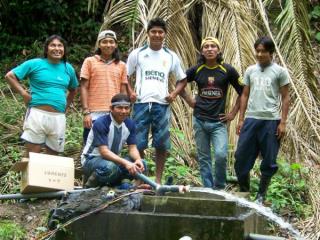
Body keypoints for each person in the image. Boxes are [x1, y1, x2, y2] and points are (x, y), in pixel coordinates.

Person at [126, 18, 187, 184]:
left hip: (162, 105)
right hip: (141, 104)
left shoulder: (171, 56)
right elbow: (124, 75)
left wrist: (173, 94)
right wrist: (130, 92)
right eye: (154, 31)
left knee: (161, 144)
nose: (157, 35)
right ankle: (139, 180)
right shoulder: (137, 53)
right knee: (139, 143)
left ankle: (157, 181)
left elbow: (183, 79)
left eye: (160, 32)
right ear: (148, 33)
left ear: (165, 34)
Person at [180, 37, 243, 190]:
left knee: (221, 155)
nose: (209, 49)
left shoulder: (227, 70)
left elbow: (243, 92)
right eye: (206, 47)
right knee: (204, 158)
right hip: (200, 120)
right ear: (202, 51)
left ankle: (220, 187)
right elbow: (179, 83)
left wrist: (233, 113)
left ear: (218, 50)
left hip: (218, 122)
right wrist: (189, 100)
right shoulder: (197, 69)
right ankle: (208, 188)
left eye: (213, 46)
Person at [234, 36, 290, 203]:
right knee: (241, 156)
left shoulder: (280, 71)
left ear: (271, 53)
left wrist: (283, 122)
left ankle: (261, 195)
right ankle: (244, 190)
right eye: (257, 51)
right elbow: (244, 95)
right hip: (251, 119)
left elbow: (286, 98)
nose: (259, 54)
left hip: (271, 120)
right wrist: (241, 119)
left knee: (269, 159)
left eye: (263, 51)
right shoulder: (250, 70)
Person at [5, 35, 79, 156]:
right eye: (53, 45)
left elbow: (73, 89)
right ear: (46, 49)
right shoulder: (35, 63)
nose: (57, 48)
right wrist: (24, 93)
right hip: (37, 115)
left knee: (52, 158)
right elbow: (10, 76)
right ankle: (27, 175)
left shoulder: (68, 68)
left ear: (64, 49)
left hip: (58, 118)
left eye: (60, 46)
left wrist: (66, 107)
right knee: (32, 155)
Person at [81, 93, 146, 188]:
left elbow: (132, 148)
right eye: (119, 108)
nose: (123, 111)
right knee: (110, 168)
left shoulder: (130, 124)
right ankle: (90, 186)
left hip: (113, 161)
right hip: (91, 160)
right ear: (111, 109)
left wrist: (138, 160)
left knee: (141, 164)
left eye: (126, 108)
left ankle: (120, 186)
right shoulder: (101, 123)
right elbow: (104, 152)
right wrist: (126, 163)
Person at [80, 30, 129, 144]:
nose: (108, 45)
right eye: (104, 42)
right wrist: (86, 112)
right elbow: (83, 87)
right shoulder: (89, 62)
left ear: (116, 45)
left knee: (112, 147)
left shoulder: (121, 65)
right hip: (93, 113)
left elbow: (123, 90)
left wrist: (124, 111)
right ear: (99, 44)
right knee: (90, 147)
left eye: (111, 42)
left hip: (114, 113)